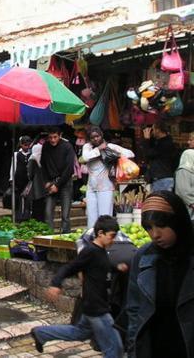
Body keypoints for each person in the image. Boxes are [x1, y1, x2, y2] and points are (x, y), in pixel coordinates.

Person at [31, 215, 124, 358]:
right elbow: (70, 268)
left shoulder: (101, 251)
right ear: (100, 234)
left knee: (78, 333)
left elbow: (100, 266)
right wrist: (56, 284)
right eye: (112, 236)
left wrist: (117, 267)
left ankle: (41, 333)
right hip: (97, 308)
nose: (113, 240)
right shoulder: (90, 251)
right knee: (115, 348)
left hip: (92, 304)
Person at [125, 191, 194, 357]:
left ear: (177, 222)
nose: (155, 234)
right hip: (155, 347)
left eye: (161, 226)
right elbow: (134, 308)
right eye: (149, 228)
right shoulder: (143, 257)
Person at [82, 126, 134, 227]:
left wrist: (116, 154)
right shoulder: (87, 147)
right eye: (92, 138)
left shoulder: (110, 146)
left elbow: (130, 153)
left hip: (106, 187)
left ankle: (105, 236)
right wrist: (98, 149)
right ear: (89, 139)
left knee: (105, 216)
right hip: (91, 187)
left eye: (97, 136)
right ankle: (92, 237)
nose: (95, 139)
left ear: (101, 135)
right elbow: (85, 157)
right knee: (91, 217)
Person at [41, 127, 76, 233]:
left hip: (65, 182)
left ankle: (65, 237)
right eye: (50, 137)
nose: (52, 140)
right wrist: (46, 181)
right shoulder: (46, 146)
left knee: (65, 215)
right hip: (51, 181)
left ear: (60, 136)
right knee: (47, 213)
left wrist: (57, 185)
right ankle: (49, 237)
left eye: (55, 137)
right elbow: (43, 165)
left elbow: (69, 169)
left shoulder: (67, 146)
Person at [142, 122, 178, 192]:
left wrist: (146, 140)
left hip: (162, 179)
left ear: (158, 130)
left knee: (161, 202)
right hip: (162, 178)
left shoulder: (165, 144)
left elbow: (148, 154)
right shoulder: (162, 142)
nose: (152, 132)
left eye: (153, 129)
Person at [9, 136, 33, 222]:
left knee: (28, 198)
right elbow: (13, 166)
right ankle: (18, 216)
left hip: (28, 179)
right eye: (25, 145)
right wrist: (11, 179)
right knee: (18, 197)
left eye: (28, 145)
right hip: (18, 179)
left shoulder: (32, 154)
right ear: (21, 145)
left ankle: (27, 215)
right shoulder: (16, 154)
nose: (27, 147)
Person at [26, 137, 47, 222]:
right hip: (44, 186)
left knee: (36, 206)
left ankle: (36, 221)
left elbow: (30, 174)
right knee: (41, 206)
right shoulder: (44, 158)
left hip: (36, 186)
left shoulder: (32, 159)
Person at [175, 149, 194, 220]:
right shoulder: (183, 171)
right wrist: (192, 202)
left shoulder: (191, 171)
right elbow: (183, 191)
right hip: (188, 209)